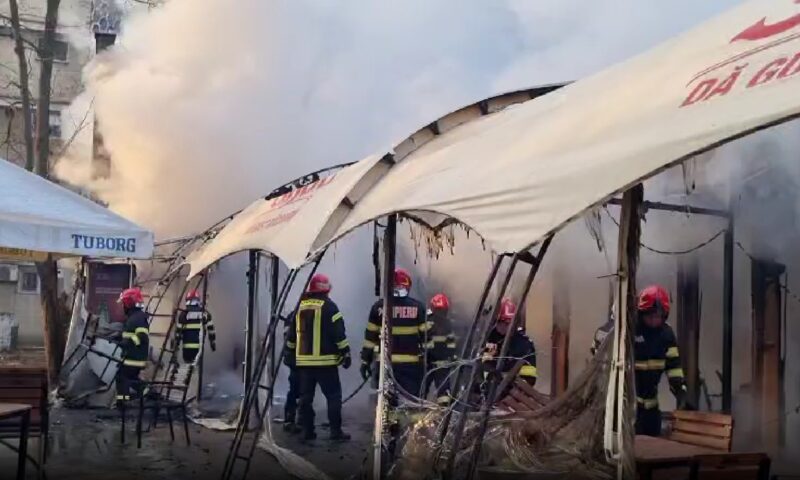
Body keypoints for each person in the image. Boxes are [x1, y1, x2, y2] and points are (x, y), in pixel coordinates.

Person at [286, 273, 352, 442]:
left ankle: (307, 431)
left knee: (305, 398)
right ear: (326, 290)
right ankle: (335, 432)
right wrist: (345, 352)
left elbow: (291, 336)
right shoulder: (330, 307)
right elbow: (339, 334)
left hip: (304, 364)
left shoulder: (300, 307)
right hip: (326, 363)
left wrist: (290, 356)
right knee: (333, 396)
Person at [360, 267, 429, 398]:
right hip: (410, 366)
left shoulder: (378, 307)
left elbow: (370, 339)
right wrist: (429, 360)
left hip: (384, 364)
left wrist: (365, 361)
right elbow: (426, 338)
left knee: (386, 399)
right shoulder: (418, 308)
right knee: (411, 400)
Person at [635, 285, 688, 437]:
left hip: (651, 407)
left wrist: (680, 392)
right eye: (649, 316)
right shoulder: (632, 330)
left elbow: (673, 366)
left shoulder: (667, 334)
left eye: (657, 316)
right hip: (629, 408)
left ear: (664, 315)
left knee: (653, 443)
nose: (653, 320)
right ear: (641, 314)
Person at [481, 298, 537, 396]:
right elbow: (484, 366)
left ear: (514, 323)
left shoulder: (524, 344)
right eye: (501, 322)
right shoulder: (490, 339)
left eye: (508, 323)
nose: (503, 326)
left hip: (513, 395)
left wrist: (513, 387)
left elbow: (530, 377)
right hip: (488, 392)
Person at [116, 287, 150, 404]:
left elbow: (142, 336)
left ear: (128, 303)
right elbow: (131, 334)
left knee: (122, 378)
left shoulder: (137, 318)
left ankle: (123, 404)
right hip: (132, 357)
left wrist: (128, 343)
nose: (123, 307)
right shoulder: (135, 317)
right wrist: (119, 337)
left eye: (123, 304)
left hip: (134, 358)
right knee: (130, 379)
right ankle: (146, 392)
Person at [424, 293, 457, 405]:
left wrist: (452, 356)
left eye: (442, 311)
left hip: (440, 362)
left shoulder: (447, 324)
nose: (441, 314)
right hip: (428, 361)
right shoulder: (426, 322)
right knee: (423, 387)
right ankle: (418, 407)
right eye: (439, 311)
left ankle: (444, 410)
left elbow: (451, 342)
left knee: (443, 391)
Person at [176, 289, 216, 363]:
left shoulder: (183, 314)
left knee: (188, 365)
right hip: (199, 350)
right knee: (196, 366)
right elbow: (211, 330)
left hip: (186, 350)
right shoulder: (205, 313)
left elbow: (178, 334)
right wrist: (212, 343)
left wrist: (176, 346)